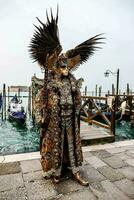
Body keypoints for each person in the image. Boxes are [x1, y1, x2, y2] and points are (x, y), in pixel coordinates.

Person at [29, 8, 103, 186]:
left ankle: (74, 170)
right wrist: (40, 118)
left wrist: (76, 105)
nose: (65, 70)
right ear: (56, 66)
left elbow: (77, 98)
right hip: (55, 120)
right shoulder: (49, 83)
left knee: (71, 144)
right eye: (61, 66)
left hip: (70, 118)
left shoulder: (72, 81)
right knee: (55, 144)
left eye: (66, 66)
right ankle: (56, 171)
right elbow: (39, 102)